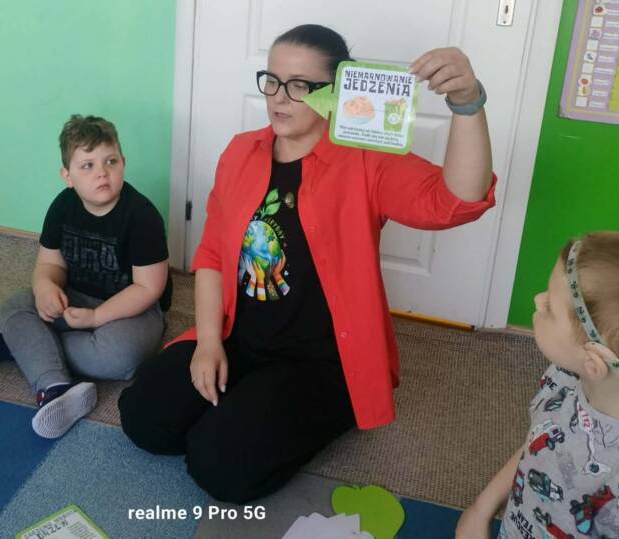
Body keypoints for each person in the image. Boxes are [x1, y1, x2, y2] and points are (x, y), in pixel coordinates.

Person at [118, 23, 496, 502]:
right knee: (143, 418)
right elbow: (212, 254)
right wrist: (209, 343)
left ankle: (331, 406)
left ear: (335, 91)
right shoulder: (242, 151)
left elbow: (457, 201)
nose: (279, 97)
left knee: (217, 467)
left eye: (299, 85)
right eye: (272, 80)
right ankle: (247, 402)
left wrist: (467, 102)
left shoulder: (365, 160)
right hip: (241, 336)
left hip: (318, 359)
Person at [458, 232, 619, 538]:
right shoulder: (569, 377)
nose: (538, 300)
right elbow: (541, 444)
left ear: (594, 363)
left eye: (550, 308)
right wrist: (482, 508)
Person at [0, 114, 172, 439]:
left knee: (120, 356)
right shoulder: (62, 207)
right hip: (76, 297)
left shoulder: (142, 216)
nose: (102, 172)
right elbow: (49, 265)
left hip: (134, 309)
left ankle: (29, 348)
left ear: (123, 163)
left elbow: (149, 288)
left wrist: (97, 317)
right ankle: (54, 385)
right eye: (87, 165)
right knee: (16, 306)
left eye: (111, 161)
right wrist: (45, 286)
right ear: (67, 176)